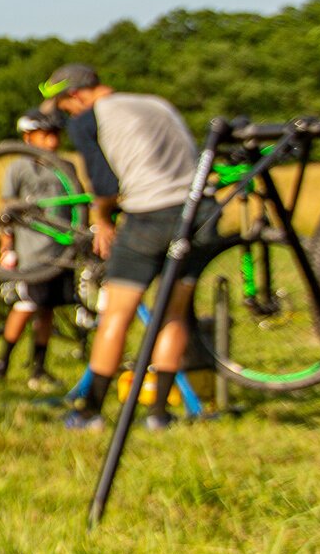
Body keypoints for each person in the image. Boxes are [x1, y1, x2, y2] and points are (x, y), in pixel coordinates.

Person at [41, 62, 214, 432]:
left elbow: (105, 186)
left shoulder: (90, 119)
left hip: (149, 216)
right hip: (198, 213)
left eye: (65, 106)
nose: (67, 115)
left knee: (116, 315)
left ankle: (89, 413)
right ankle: (159, 415)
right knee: (174, 314)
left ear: (75, 95)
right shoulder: (157, 103)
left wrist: (103, 219)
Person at [0, 109, 81, 390]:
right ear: (29, 138)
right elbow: (8, 212)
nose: (53, 142)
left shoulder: (67, 166)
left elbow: (79, 207)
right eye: (46, 135)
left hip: (61, 251)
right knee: (26, 305)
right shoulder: (18, 168)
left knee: (47, 309)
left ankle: (38, 369)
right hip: (31, 251)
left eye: (56, 135)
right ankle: (1, 365)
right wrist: (7, 248)